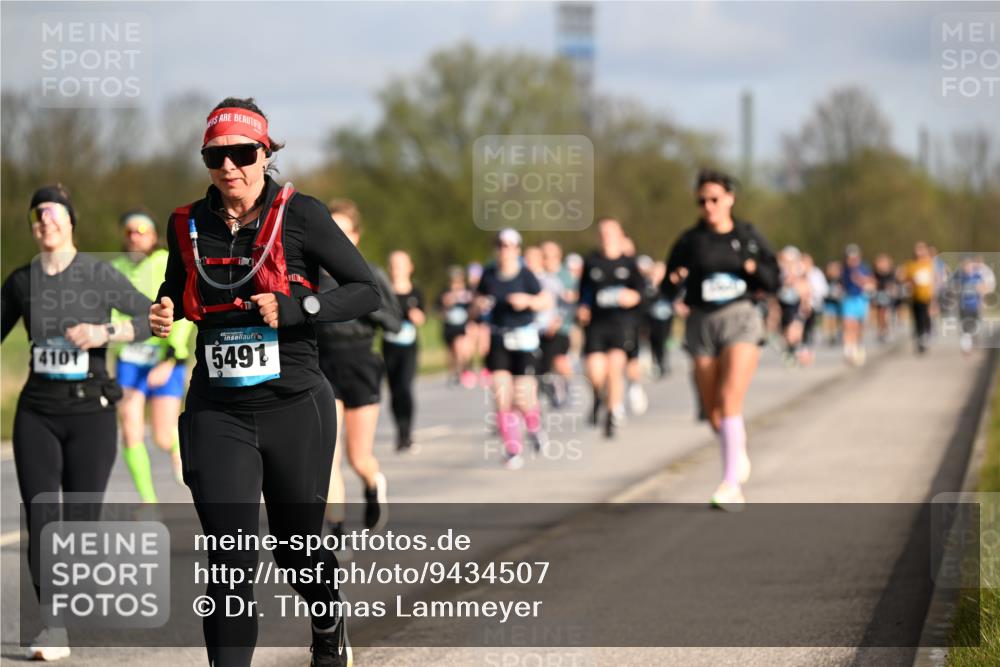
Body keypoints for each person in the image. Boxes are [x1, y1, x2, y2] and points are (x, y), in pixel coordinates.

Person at [150, 97, 379, 667]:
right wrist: (166, 309)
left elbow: (364, 289)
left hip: (294, 405)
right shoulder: (186, 222)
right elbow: (178, 287)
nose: (229, 166)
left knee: (296, 551)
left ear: (265, 153)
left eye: (242, 153)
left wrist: (299, 305)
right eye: (215, 156)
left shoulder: (302, 214)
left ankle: (328, 625)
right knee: (229, 562)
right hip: (217, 410)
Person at [2, 184, 153, 661]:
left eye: (53, 214)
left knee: (81, 525)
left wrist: (102, 332)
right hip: (37, 412)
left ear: (70, 221)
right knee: (42, 518)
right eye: (37, 216)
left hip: (91, 413)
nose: (45, 221)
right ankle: (53, 624)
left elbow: (148, 319)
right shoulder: (21, 282)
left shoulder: (98, 274)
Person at [662, 169, 779, 509]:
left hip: (740, 318)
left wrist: (755, 270)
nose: (708, 206)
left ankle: (730, 485)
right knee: (714, 412)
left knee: (730, 399)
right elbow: (667, 288)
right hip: (701, 322)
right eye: (702, 201)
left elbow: (774, 281)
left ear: (729, 198)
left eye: (714, 199)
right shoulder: (690, 241)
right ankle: (736, 450)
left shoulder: (748, 237)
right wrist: (675, 279)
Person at [317, 199, 402, 541]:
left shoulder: (370, 273)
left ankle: (372, 482)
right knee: (327, 456)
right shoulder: (309, 275)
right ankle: (335, 532)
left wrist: (364, 304)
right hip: (322, 365)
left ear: (356, 235)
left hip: (361, 363)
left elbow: (394, 322)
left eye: (344, 231)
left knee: (358, 457)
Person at [111, 210, 195, 502]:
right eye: (129, 231)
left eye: (142, 230)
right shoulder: (116, 267)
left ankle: (177, 451)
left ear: (154, 235)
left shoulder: (165, 263)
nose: (135, 236)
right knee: (130, 428)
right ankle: (148, 503)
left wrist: (170, 358)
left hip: (166, 357)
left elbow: (180, 312)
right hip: (130, 360)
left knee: (161, 436)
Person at [473, 228, 552, 469]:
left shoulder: (526, 275)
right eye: (500, 245)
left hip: (524, 340)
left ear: (517, 249)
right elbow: (474, 307)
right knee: (501, 396)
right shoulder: (488, 275)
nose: (504, 250)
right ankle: (512, 449)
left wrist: (526, 301)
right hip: (499, 339)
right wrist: (479, 304)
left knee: (524, 397)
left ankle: (534, 427)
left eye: (509, 245)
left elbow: (545, 300)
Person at [577, 218, 645, 438]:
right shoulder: (591, 262)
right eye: (603, 233)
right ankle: (599, 397)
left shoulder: (629, 263)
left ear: (619, 235)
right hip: (597, 325)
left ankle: (613, 413)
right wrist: (583, 307)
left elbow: (643, 292)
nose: (606, 237)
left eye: (611, 232)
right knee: (596, 373)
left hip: (621, 324)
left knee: (615, 368)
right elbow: (584, 292)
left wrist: (633, 296)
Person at [383, 250, 425, 452]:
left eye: (401, 264)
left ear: (410, 267)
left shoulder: (415, 292)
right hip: (389, 347)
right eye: (393, 264)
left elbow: (422, 318)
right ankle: (399, 432)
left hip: (409, 347)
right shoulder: (385, 293)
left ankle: (408, 432)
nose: (397, 269)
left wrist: (417, 315)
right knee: (394, 391)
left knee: (405, 388)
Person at [538, 241, 576, 407]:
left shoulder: (566, 277)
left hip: (561, 328)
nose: (547, 260)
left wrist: (557, 322)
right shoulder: (538, 275)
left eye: (550, 256)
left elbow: (570, 303)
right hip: (539, 328)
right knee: (542, 366)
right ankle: (548, 389)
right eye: (544, 256)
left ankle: (567, 387)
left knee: (559, 360)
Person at [438, 265, 475, 386]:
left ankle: (465, 369)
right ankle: (454, 372)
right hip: (449, 326)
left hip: (463, 325)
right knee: (452, 351)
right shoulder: (445, 293)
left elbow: (473, 308)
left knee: (461, 348)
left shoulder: (468, 292)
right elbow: (439, 311)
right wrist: (446, 305)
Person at [840, 244, 875, 366]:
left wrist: (861, 280)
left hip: (862, 299)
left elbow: (870, 281)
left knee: (858, 327)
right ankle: (848, 350)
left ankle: (856, 346)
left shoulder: (864, 268)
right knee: (849, 324)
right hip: (849, 299)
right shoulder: (844, 269)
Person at [776, 246, 812, 366]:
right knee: (786, 329)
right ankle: (790, 350)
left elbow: (805, 286)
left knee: (795, 327)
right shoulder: (780, 270)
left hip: (796, 302)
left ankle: (798, 349)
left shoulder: (799, 269)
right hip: (784, 303)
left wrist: (806, 302)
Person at [903, 241, 936, 354]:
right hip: (915, 296)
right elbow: (905, 278)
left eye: (921, 249)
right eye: (917, 249)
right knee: (917, 318)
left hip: (927, 296)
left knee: (926, 317)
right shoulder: (911, 265)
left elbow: (934, 280)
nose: (919, 252)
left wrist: (934, 297)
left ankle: (925, 336)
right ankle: (919, 338)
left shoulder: (930, 264)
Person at [799, 253, 828, 366]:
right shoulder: (798, 272)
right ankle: (801, 350)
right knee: (800, 328)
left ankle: (808, 350)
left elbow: (823, 290)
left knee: (809, 328)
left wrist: (811, 294)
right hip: (800, 306)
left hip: (814, 305)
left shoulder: (816, 274)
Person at [872, 253, 898, 343]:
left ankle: (887, 330)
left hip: (889, 297)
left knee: (887, 314)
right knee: (880, 314)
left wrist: (892, 289)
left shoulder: (892, 273)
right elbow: (873, 283)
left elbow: (894, 285)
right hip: (879, 295)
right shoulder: (875, 274)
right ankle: (881, 330)